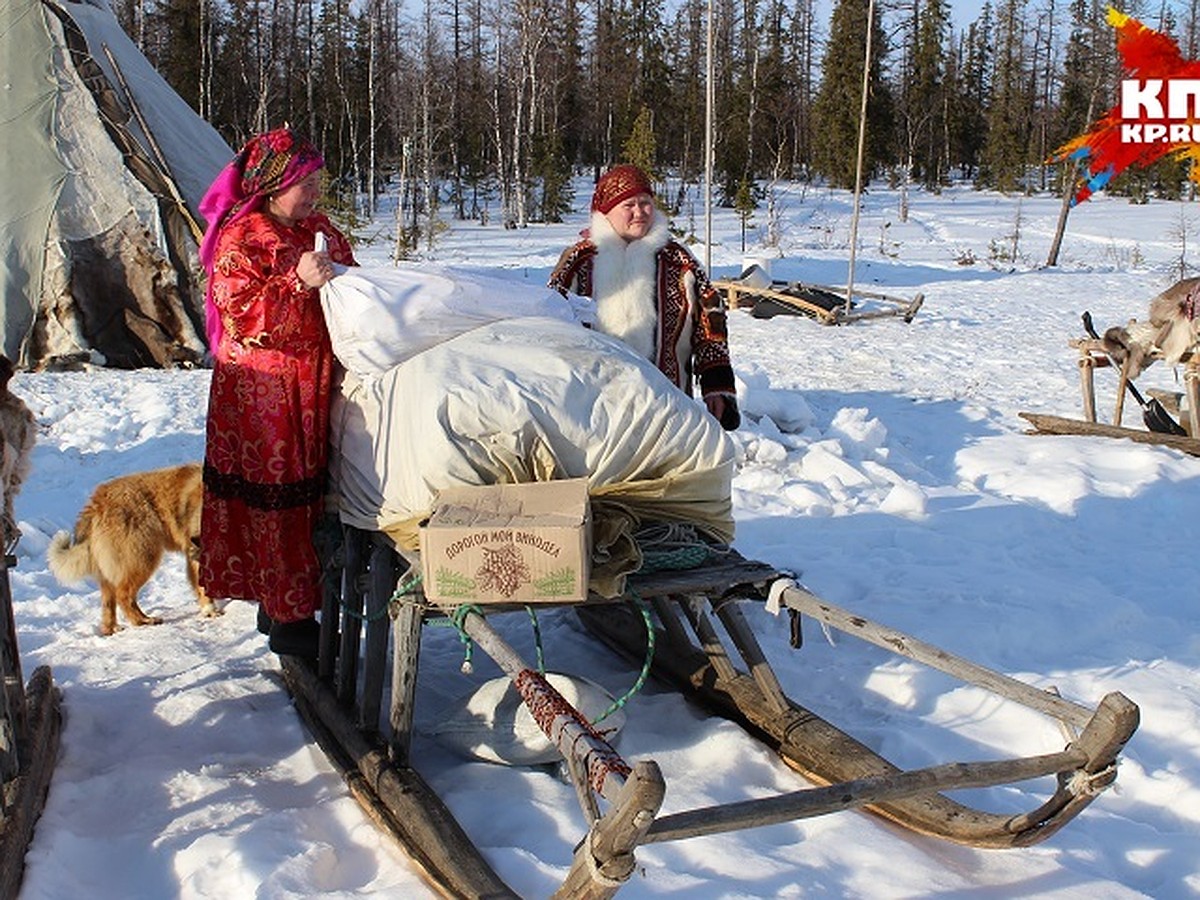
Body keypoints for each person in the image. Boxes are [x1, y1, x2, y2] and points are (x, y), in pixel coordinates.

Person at [196, 126, 356, 658]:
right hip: (264, 392)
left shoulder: (317, 229)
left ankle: (282, 599)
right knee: (279, 496)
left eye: (316, 181)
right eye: (303, 182)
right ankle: (289, 615)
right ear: (273, 184)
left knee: (311, 492)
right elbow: (242, 317)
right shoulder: (243, 238)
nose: (313, 192)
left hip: (310, 380)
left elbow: (352, 285)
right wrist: (296, 283)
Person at [548, 164, 740, 431]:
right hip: (591, 411)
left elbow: (711, 323)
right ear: (607, 211)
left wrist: (717, 385)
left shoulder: (679, 262)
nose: (639, 212)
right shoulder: (579, 261)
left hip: (669, 406)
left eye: (645, 203)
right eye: (629, 205)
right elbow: (548, 320)